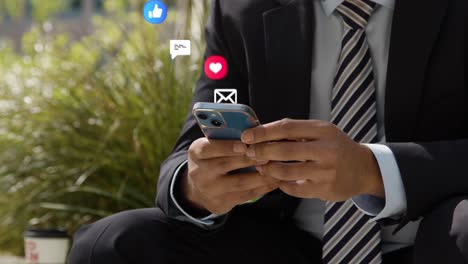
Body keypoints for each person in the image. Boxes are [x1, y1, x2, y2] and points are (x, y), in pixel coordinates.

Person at [68, 0, 468, 263]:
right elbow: (192, 146)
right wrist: (196, 187)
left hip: (427, 243)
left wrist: (373, 171)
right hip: (284, 244)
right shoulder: (240, 8)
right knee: (113, 243)